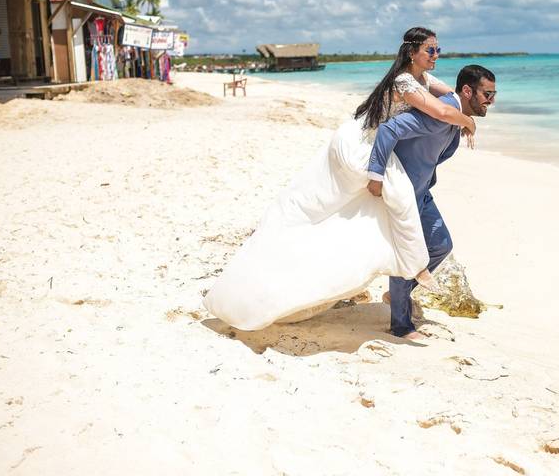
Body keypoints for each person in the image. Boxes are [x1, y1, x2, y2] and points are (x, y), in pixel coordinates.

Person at [203, 27, 479, 331]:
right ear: (413, 52)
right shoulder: (403, 80)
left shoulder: (423, 79)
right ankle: (416, 269)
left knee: (357, 216)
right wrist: (467, 122)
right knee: (400, 198)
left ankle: (406, 276)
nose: (436, 55)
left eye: (438, 50)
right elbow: (440, 111)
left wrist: (463, 111)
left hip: (380, 147)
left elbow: (449, 98)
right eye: (431, 50)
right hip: (363, 144)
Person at [367, 64, 497, 340]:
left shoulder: (454, 116)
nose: (491, 100)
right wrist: (376, 175)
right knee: (409, 253)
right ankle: (401, 325)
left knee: (441, 245)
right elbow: (389, 130)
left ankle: (397, 295)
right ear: (467, 90)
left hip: (422, 192)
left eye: (493, 94)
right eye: (487, 93)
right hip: (402, 193)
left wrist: (464, 123)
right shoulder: (440, 112)